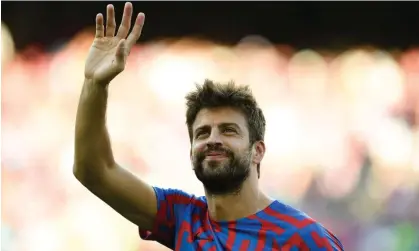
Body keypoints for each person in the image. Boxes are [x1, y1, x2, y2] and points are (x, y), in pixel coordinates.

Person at [74, 2, 344, 250]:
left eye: (228, 130)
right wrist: (94, 85)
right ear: (191, 152)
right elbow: (94, 171)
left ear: (258, 150)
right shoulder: (183, 217)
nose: (213, 139)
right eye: (202, 133)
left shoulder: (304, 238)